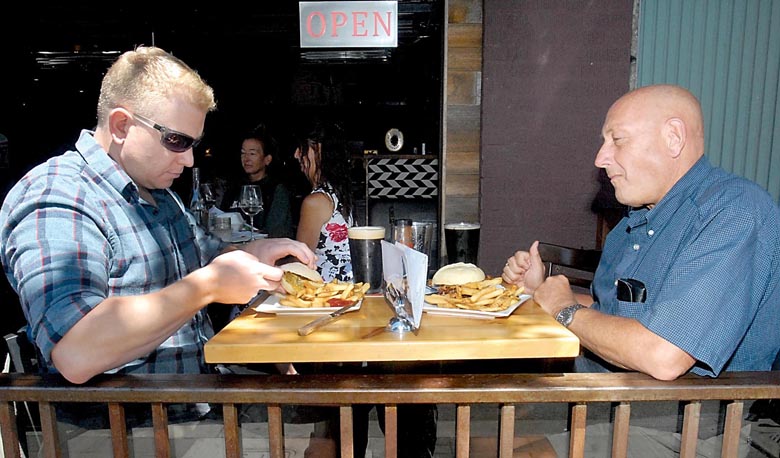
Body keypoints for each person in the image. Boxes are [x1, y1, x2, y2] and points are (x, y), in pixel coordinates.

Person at [0, 46, 316, 427]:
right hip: (126, 433)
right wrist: (207, 287)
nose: (189, 159)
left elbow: (205, 256)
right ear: (121, 125)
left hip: (196, 406)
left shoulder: (159, 193)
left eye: (193, 144)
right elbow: (76, 351)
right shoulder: (57, 195)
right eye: (177, 141)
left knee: (325, 417)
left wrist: (254, 253)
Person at [503, 84, 780, 381]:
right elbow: (607, 312)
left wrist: (562, 307)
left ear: (673, 138)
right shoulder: (632, 224)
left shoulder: (734, 211)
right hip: (604, 391)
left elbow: (663, 356)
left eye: (618, 140)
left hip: (679, 409)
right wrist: (540, 293)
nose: (600, 159)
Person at [293, 120, 354, 281]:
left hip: (324, 289)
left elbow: (301, 263)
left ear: (318, 149)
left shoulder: (315, 202)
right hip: (346, 284)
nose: (296, 154)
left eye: (302, 148)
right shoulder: (337, 192)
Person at [220, 125, 294, 238]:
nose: (246, 159)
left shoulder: (276, 190)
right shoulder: (235, 187)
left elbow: (277, 232)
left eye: (252, 154)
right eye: (243, 153)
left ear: (267, 159)